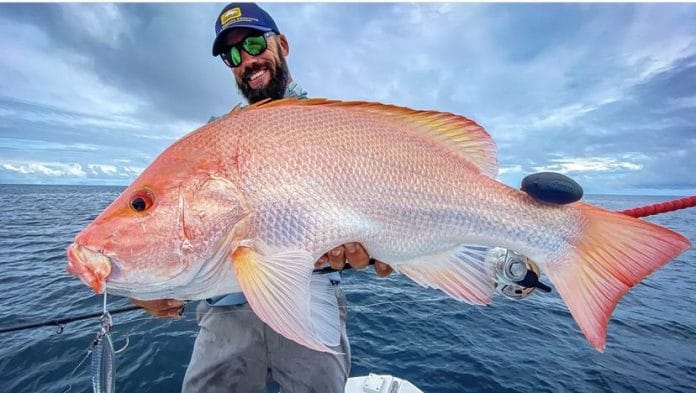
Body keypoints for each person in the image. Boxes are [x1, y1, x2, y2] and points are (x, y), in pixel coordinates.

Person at [131, 3, 584, 392]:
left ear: (281, 45)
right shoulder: (211, 141)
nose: (246, 60)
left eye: (253, 45)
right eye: (232, 54)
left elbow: (369, 239)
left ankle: (566, 242)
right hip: (226, 312)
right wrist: (142, 289)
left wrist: (383, 250)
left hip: (311, 299)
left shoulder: (333, 123)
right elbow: (178, 242)